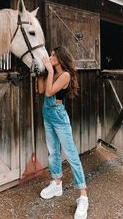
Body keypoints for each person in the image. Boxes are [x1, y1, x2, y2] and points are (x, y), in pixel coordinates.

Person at [38, 45, 89, 219]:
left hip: (59, 116)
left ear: (60, 58)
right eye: (50, 55)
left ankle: (83, 196)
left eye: (53, 55)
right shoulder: (50, 72)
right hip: (47, 114)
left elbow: (50, 92)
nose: (50, 57)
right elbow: (41, 90)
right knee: (53, 152)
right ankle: (57, 182)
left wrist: (49, 72)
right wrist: (40, 72)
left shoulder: (65, 75)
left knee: (72, 154)